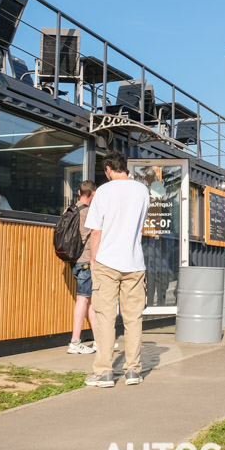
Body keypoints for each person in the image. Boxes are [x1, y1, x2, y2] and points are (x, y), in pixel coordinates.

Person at [84, 151, 149, 388]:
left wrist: (93, 261)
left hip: (107, 262)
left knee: (105, 318)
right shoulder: (142, 190)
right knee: (133, 319)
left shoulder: (103, 191)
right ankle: (133, 370)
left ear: (109, 169)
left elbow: (96, 231)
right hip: (134, 262)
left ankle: (104, 372)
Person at [67, 180, 98, 355]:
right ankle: (75, 341)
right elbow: (96, 235)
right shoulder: (89, 213)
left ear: (79, 192)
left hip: (75, 260)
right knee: (83, 299)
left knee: (90, 300)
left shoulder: (69, 210)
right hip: (86, 260)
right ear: (92, 194)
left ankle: (99, 341)